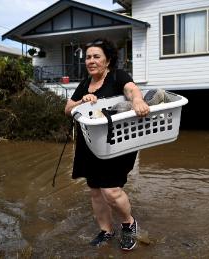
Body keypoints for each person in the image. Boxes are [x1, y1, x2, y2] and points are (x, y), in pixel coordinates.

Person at [64, 39, 149, 250]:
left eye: (96, 56)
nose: (91, 61)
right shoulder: (85, 83)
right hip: (89, 141)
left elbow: (131, 90)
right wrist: (82, 101)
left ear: (108, 60)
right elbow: (68, 109)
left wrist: (138, 100)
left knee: (111, 190)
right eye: (88, 57)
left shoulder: (118, 76)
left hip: (116, 141)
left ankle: (129, 223)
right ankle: (107, 230)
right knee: (95, 190)